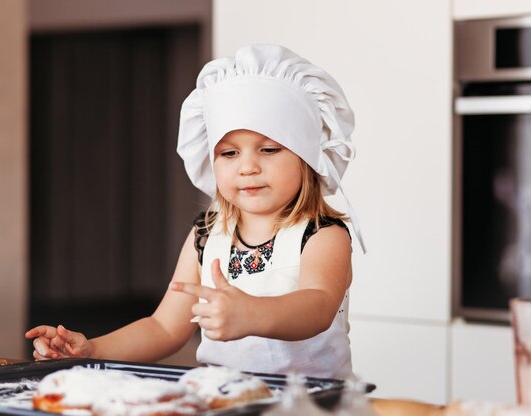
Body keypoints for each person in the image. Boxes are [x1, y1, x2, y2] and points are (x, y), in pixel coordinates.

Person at [25, 44, 366, 379]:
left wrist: (252, 314)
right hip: (228, 401)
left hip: (310, 405)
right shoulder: (207, 234)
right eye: (229, 153)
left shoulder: (322, 233)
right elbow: (163, 327)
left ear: (306, 154)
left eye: (269, 149)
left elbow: (318, 305)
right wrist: (93, 350)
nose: (247, 167)